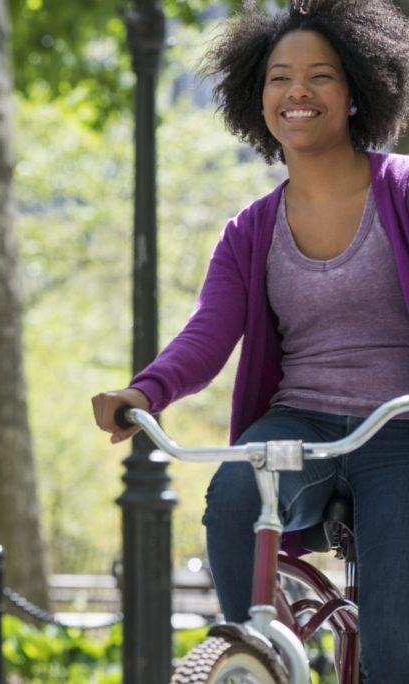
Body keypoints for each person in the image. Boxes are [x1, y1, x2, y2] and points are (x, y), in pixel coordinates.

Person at [91, 0, 409, 680]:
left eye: (321, 76)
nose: (298, 91)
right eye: (279, 77)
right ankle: (256, 655)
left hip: (400, 423)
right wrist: (144, 390)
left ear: (356, 90)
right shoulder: (250, 230)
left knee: (394, 644)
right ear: (256, 100)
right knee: (233, 497)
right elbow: (208, 333)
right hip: (300, 419)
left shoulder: (403, 192)